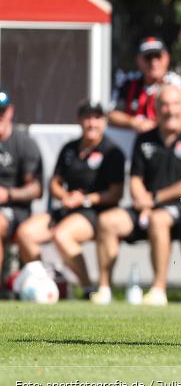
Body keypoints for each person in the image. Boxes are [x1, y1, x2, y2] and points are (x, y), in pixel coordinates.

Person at [92, 84, 181, 305]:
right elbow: (135, 178)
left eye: (175, 104)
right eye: (164, 104)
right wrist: (141, 201)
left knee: (158, 219)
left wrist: (154, 199)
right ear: (156, 108)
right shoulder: (144, 138)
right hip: (147, 207)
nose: (169, 110)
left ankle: (158, 289)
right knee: (107, 222)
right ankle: (104, 288)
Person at [15, 101, 125, 296]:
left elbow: (116, 193)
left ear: (104, 121)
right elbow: (54, 183)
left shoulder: (112, 152)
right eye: (87, 117)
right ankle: (48, 282)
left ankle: (88, 288)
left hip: (95, 211)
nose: (91, 123)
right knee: (25, 233)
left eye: (96, 118)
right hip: (68, 207)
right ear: (79, 120)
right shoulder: (69, 149)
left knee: (61, 235)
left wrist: (84, 199)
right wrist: (66, 196)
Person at [0, 89, 43, 287]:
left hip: (14, 209)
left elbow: (35, 189)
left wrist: (7, 194)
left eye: (1, 111)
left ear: (10, 111)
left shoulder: (24, 144)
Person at [108, 36, 181, 133]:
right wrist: (134, 122)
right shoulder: (128, 82)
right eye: (148, 58)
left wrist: (153, 125)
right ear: (138, 60)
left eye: (158, 56)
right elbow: (111, 115)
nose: (153, 63)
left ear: (167, 58)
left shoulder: (175, 84)